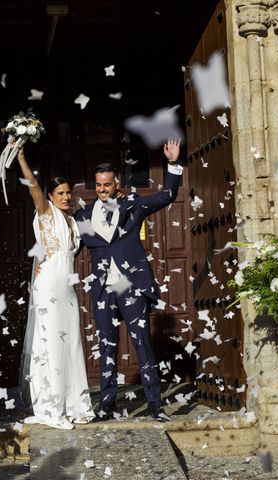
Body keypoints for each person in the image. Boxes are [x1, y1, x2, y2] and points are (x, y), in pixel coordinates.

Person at [74, 139, 183, 422]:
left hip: (129, 285)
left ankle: (156, 406)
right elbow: (68, 246)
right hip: (102, 289)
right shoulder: (83, 216)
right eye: (98, 185)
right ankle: (106, 407)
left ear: (116, 183)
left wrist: (171, 164)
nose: (102, 190)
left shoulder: (133, 205)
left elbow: (167, 195)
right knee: (106, 347)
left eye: (107, 185)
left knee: (142, 344)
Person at [16, 145, 95, 430]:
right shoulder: (45, 211)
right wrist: (22, 159)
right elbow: (33, 186)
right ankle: (52, 408)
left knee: (71, 343)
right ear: (50, 196)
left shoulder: (73, 221)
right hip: (49, 284)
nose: (65, 197)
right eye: (59, 193)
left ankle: (76, 404)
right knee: (51, 346)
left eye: (67, 193)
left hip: (68, 288)